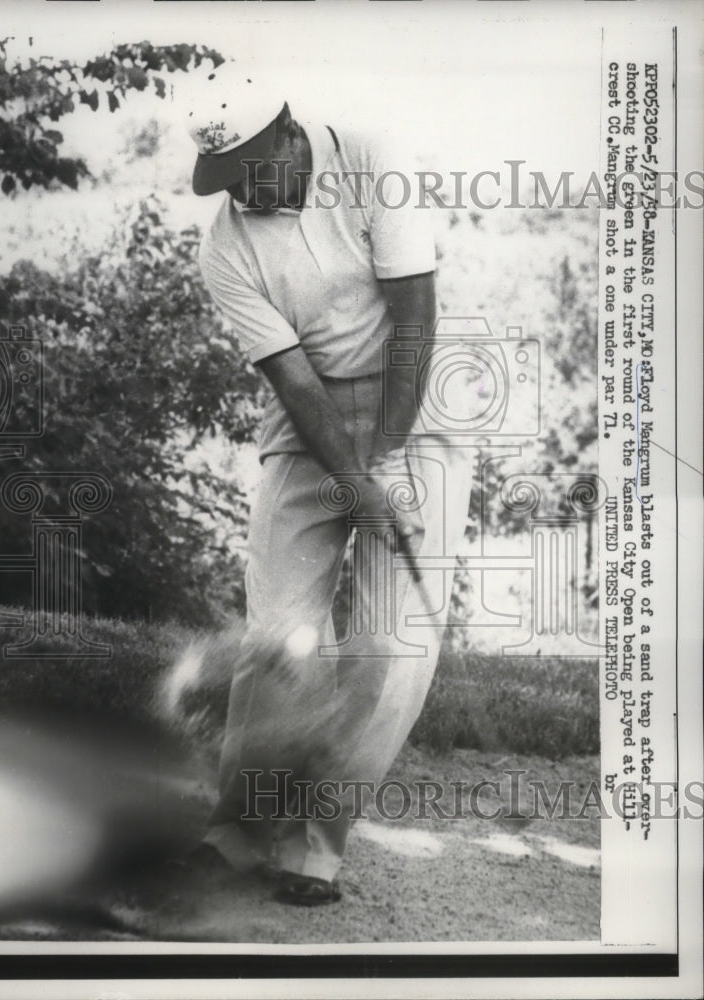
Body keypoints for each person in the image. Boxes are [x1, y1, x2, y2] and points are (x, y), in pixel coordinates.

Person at [186, 61, 473, 906]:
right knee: (277, 636)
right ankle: (241, 831)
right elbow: (294, 384)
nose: (239, 190)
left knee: (389, 645)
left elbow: (415, 318)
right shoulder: (224, 247)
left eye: (248, 168)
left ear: (285, 134)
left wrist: (384, 461)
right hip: (306, 418)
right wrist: (352, 480)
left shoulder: (372, 161)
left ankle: (316, 844)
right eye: (223, 178)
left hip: (411, 397)